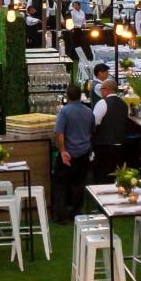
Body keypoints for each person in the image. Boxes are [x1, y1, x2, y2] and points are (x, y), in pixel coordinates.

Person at [52, 83, 95, 222]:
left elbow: (59, 132)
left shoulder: (65, 111)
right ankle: (76, 213)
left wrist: (63, 150)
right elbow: (92, 131)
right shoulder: (89, 112)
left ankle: (61, 215)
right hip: (83, 153)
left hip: (68, 153)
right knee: (78, 184)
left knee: (61, 183)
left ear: (67, 96)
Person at [92, 79, 129, 182]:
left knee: (103, 176)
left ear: (106, 90)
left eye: (101, 89)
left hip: (104, 146)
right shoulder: (124, 105)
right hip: (120, 145)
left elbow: (94, 122)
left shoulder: (102, 103)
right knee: (117, 176)